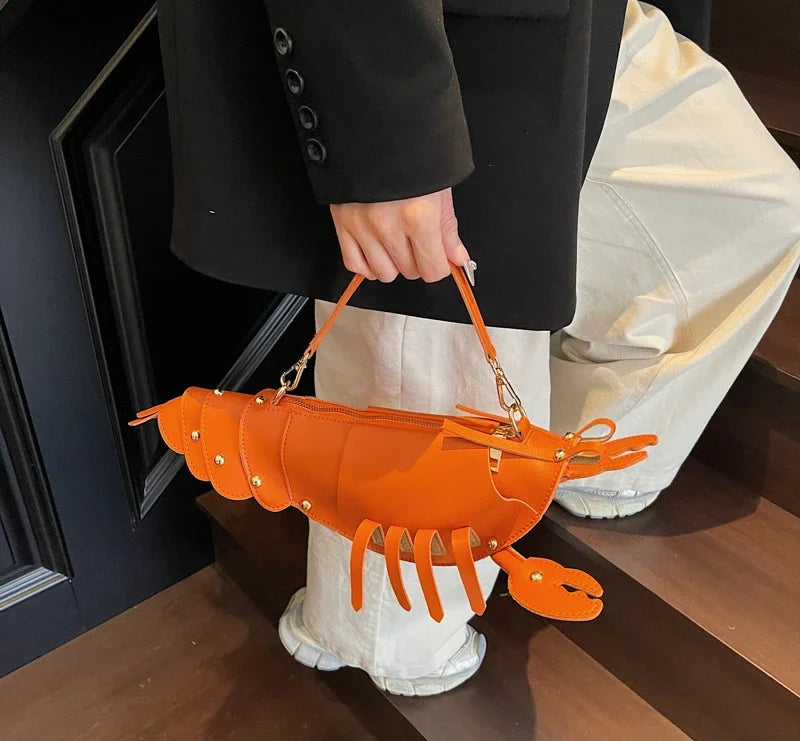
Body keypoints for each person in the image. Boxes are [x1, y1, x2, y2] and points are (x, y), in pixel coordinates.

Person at [157, 0, 800, 696]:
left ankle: (573, 465)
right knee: (419, 369)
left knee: (754, 204)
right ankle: (377, 639)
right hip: (432, 43)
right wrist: (384, 141)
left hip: (583, 26)